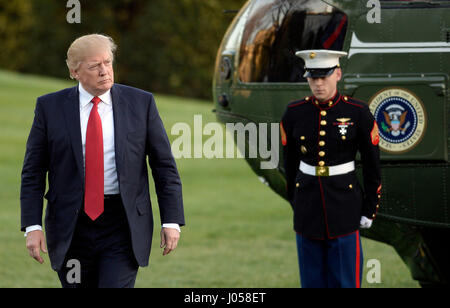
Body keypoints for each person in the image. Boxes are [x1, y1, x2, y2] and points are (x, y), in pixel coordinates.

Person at [20, 34, 185, 288]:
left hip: (122, 225)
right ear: (75, 72)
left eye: (107, 62)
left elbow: (164, 167)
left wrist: (171, 220)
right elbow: (33, 172)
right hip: (70, 227)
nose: (104, 71)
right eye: (94, 66)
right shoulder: (49, 108)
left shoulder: (141, 104)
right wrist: (32, 226)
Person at [280, 50, 381, 288]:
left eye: (323, 77)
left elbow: (371, 164)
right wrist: (295, 199)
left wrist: (370, 208)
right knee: (311, 281)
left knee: (345, 281)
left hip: (345, 205)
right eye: (312, 78)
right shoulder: (294, 113)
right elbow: (290, 162)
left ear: (338, 74)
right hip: (308, 206)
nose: (318, 83)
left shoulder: (357, 113)